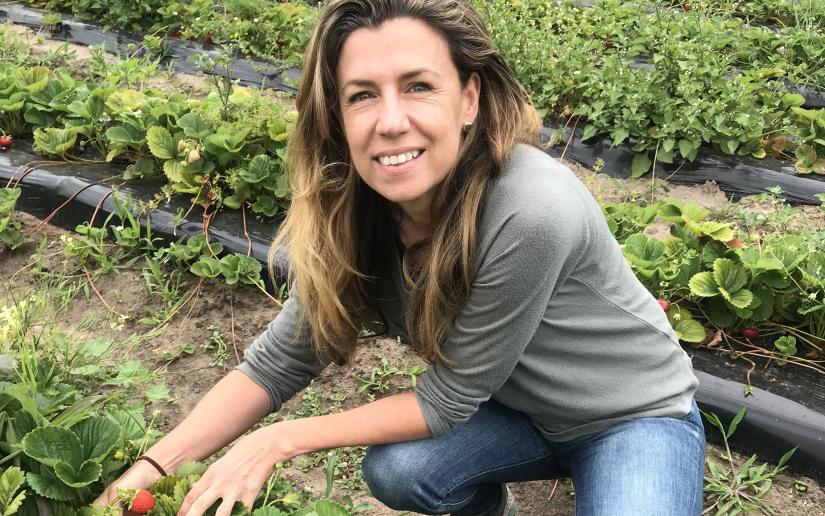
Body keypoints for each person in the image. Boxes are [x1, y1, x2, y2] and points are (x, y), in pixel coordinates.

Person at [96, 1, 705, 515]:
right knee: (400, 469)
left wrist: (276, 442)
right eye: (362, 95)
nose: (391, 122)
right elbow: (278, 363)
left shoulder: (532, 208)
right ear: (336, 115)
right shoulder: (354, 212)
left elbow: (444, 401)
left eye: (418, 86)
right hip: (519, 412)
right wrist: (150, 469)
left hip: (631, 417)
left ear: (468, 99)